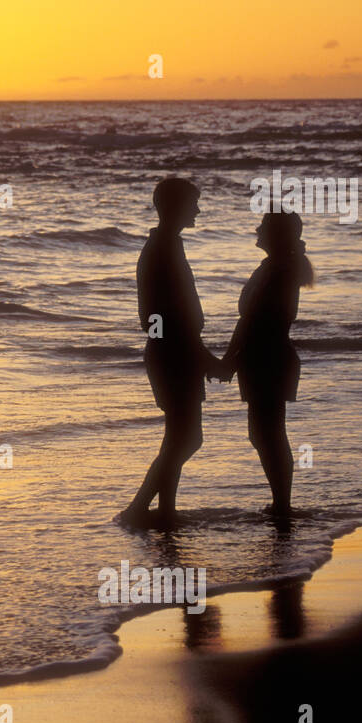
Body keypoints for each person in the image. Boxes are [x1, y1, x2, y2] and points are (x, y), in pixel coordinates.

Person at [120, 177, 225, 526]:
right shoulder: (162, 250)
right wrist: (196, 354)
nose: (198, 209)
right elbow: (164, 315)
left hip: (172, 350)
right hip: (171, 353)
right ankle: (140, 508)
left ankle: (165, 512)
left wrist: (193, 351)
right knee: (187, 438)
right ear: (176, 207)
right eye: (192, 203)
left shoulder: (167, 246)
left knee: (178, 437)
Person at [220, 210, 315, 515]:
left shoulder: (278, 270)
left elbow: (253, 321)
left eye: (262, 225)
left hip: (267, 357)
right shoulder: (276, 267)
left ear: (274, 234)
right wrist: (233, 359)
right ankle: (281, 502)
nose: (256, 228)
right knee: (266, 432)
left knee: (268, 433)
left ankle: (282, 504)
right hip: (265, 355)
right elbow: (250, 321)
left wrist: (229, 360)